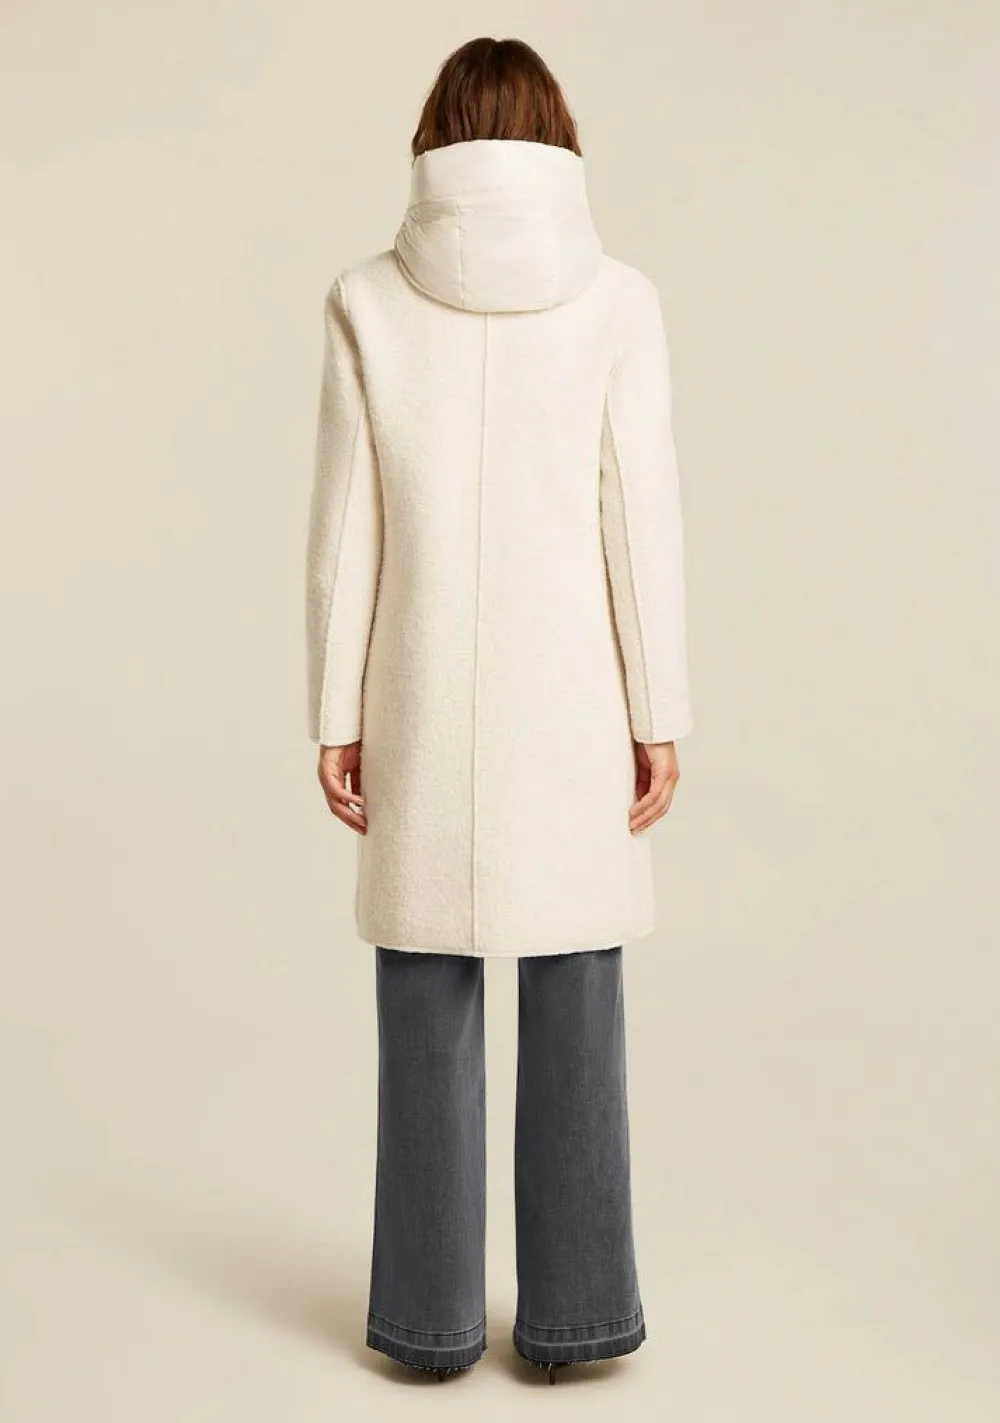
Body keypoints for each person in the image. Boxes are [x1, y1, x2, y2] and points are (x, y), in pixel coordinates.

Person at [305, 36, 692, 1382]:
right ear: (556, 136)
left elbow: (347, 527)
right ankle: (578, 1318)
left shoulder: (368, 298)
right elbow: (637, 522)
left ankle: (426, 1325)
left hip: (417, 686)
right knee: (578, 987)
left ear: (434, 138)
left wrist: (336, 710)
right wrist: (658, 707)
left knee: (425, 993)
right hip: (573, 697)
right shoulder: (618, 299)